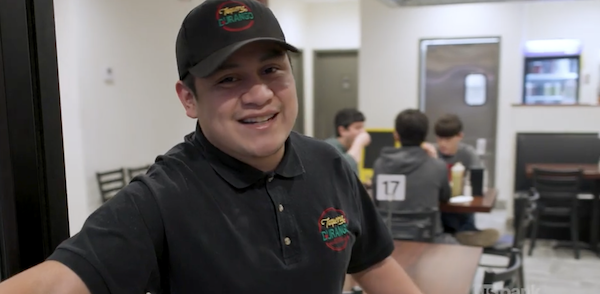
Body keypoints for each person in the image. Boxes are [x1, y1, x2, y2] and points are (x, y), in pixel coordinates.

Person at [0, 1, 423, 294]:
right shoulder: (161, 198)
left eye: (271, 69)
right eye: (228, 79)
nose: (259, 93)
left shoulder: (331, 163)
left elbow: (374, 263)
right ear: (188, 98)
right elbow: (61, 281)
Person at [372, 109, 457, 244]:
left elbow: (377, 202)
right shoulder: (438, 166)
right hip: (428, 239)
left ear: (396, 135)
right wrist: (435, 159)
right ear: (425, 136)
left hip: (387, 240)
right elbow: (445, 197)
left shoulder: (380, 164)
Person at [433, 113, 499, 247]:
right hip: (438, 208)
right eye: (440, 139)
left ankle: (465, 235)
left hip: (461, 210)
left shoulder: (468, 153)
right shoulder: (432, 153)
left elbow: (480, 182)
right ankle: (462, 238)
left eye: (448, 139)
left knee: (462, 218)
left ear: (459, 136)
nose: (442, 144)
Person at [324, 108, 371, 175]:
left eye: (363, 127)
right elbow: (345, 169)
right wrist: (358, 142)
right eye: (357, 128)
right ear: (342, 130)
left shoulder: (348, 149)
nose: (363, 132)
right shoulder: (328, 148)